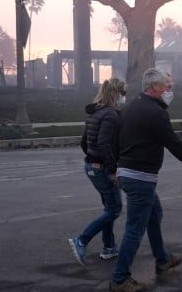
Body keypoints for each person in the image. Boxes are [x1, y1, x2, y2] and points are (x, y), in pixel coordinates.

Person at [109, 68, 182, 292]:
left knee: (154, 214)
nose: (170, 91)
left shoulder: (131, 106)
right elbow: (173, 142)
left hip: (130, 174)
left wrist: (116, 168)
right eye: (168, 87)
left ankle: (162, 260)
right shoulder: (155, 112)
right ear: (155, 87)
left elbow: (116, 139)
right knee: (135, 229)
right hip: (140, 177)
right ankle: (119, 279)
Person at [68, 78, 127, 267]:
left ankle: (109, 248)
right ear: (116, 94)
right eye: (123, 94)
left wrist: (92, 158)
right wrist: (112, 169)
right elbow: (103, 143)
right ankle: (82, 240)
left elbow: (84, 142)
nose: (124, 98)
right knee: (115, 209)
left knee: (109, 208)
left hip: (91, 166)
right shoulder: (110, 115)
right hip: (102, 168)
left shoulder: (95, 113)